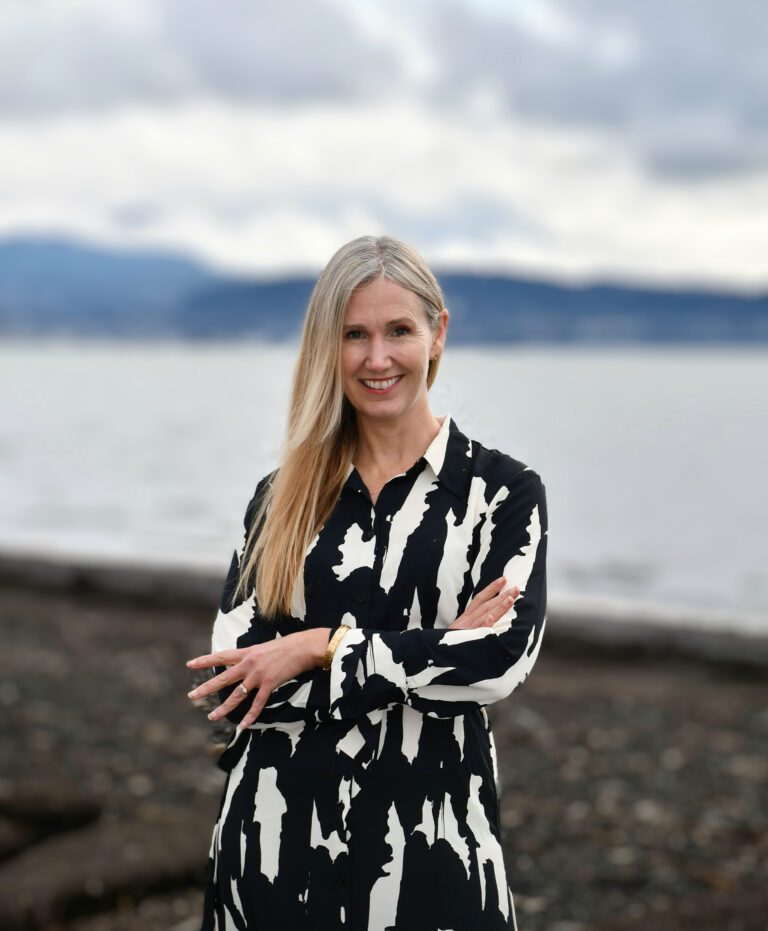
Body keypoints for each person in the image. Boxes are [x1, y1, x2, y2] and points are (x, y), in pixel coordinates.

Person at [186, 234, 548, 931]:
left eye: (398, 331)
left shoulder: (501, 494)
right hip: (272, 858)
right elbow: (236, 687)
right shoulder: (280, 498)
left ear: (437, 335)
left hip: (437, 860)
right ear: (329, 344)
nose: (377, 358)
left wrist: (316, 644)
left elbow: (498, 662)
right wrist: (434, 647)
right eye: (354, 334)